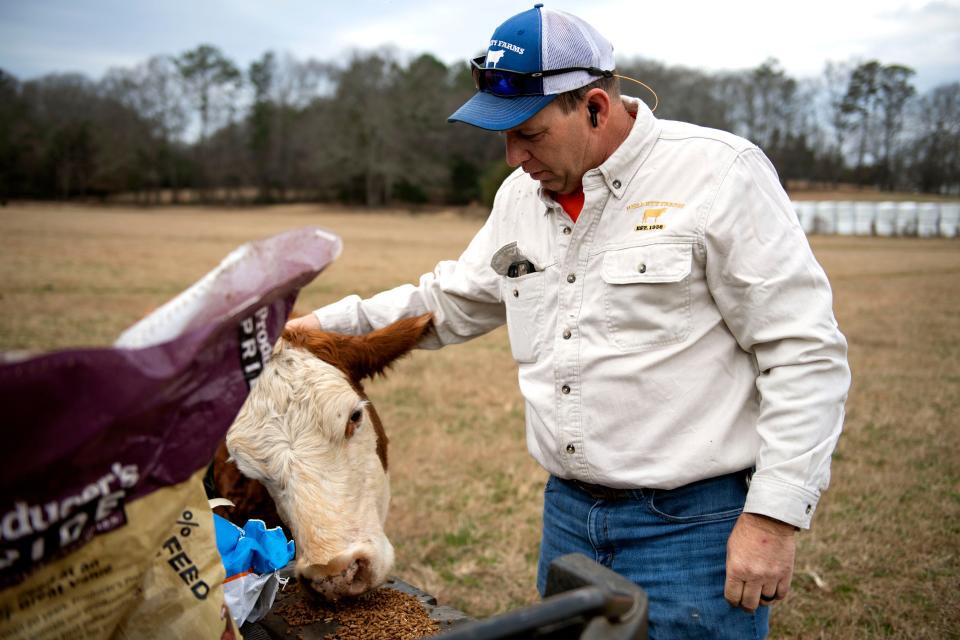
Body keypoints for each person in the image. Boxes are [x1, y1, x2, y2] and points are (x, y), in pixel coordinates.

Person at [287, 4, 850, 638]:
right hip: (569, 518)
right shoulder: (520, 198)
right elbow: (448, 300)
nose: (511, 156)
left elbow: (803, 351)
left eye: (527, 132)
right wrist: (304, 332)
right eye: (502, 137)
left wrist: (774, 519)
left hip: (693, 528)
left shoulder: (718, 174)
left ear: (594, 108)